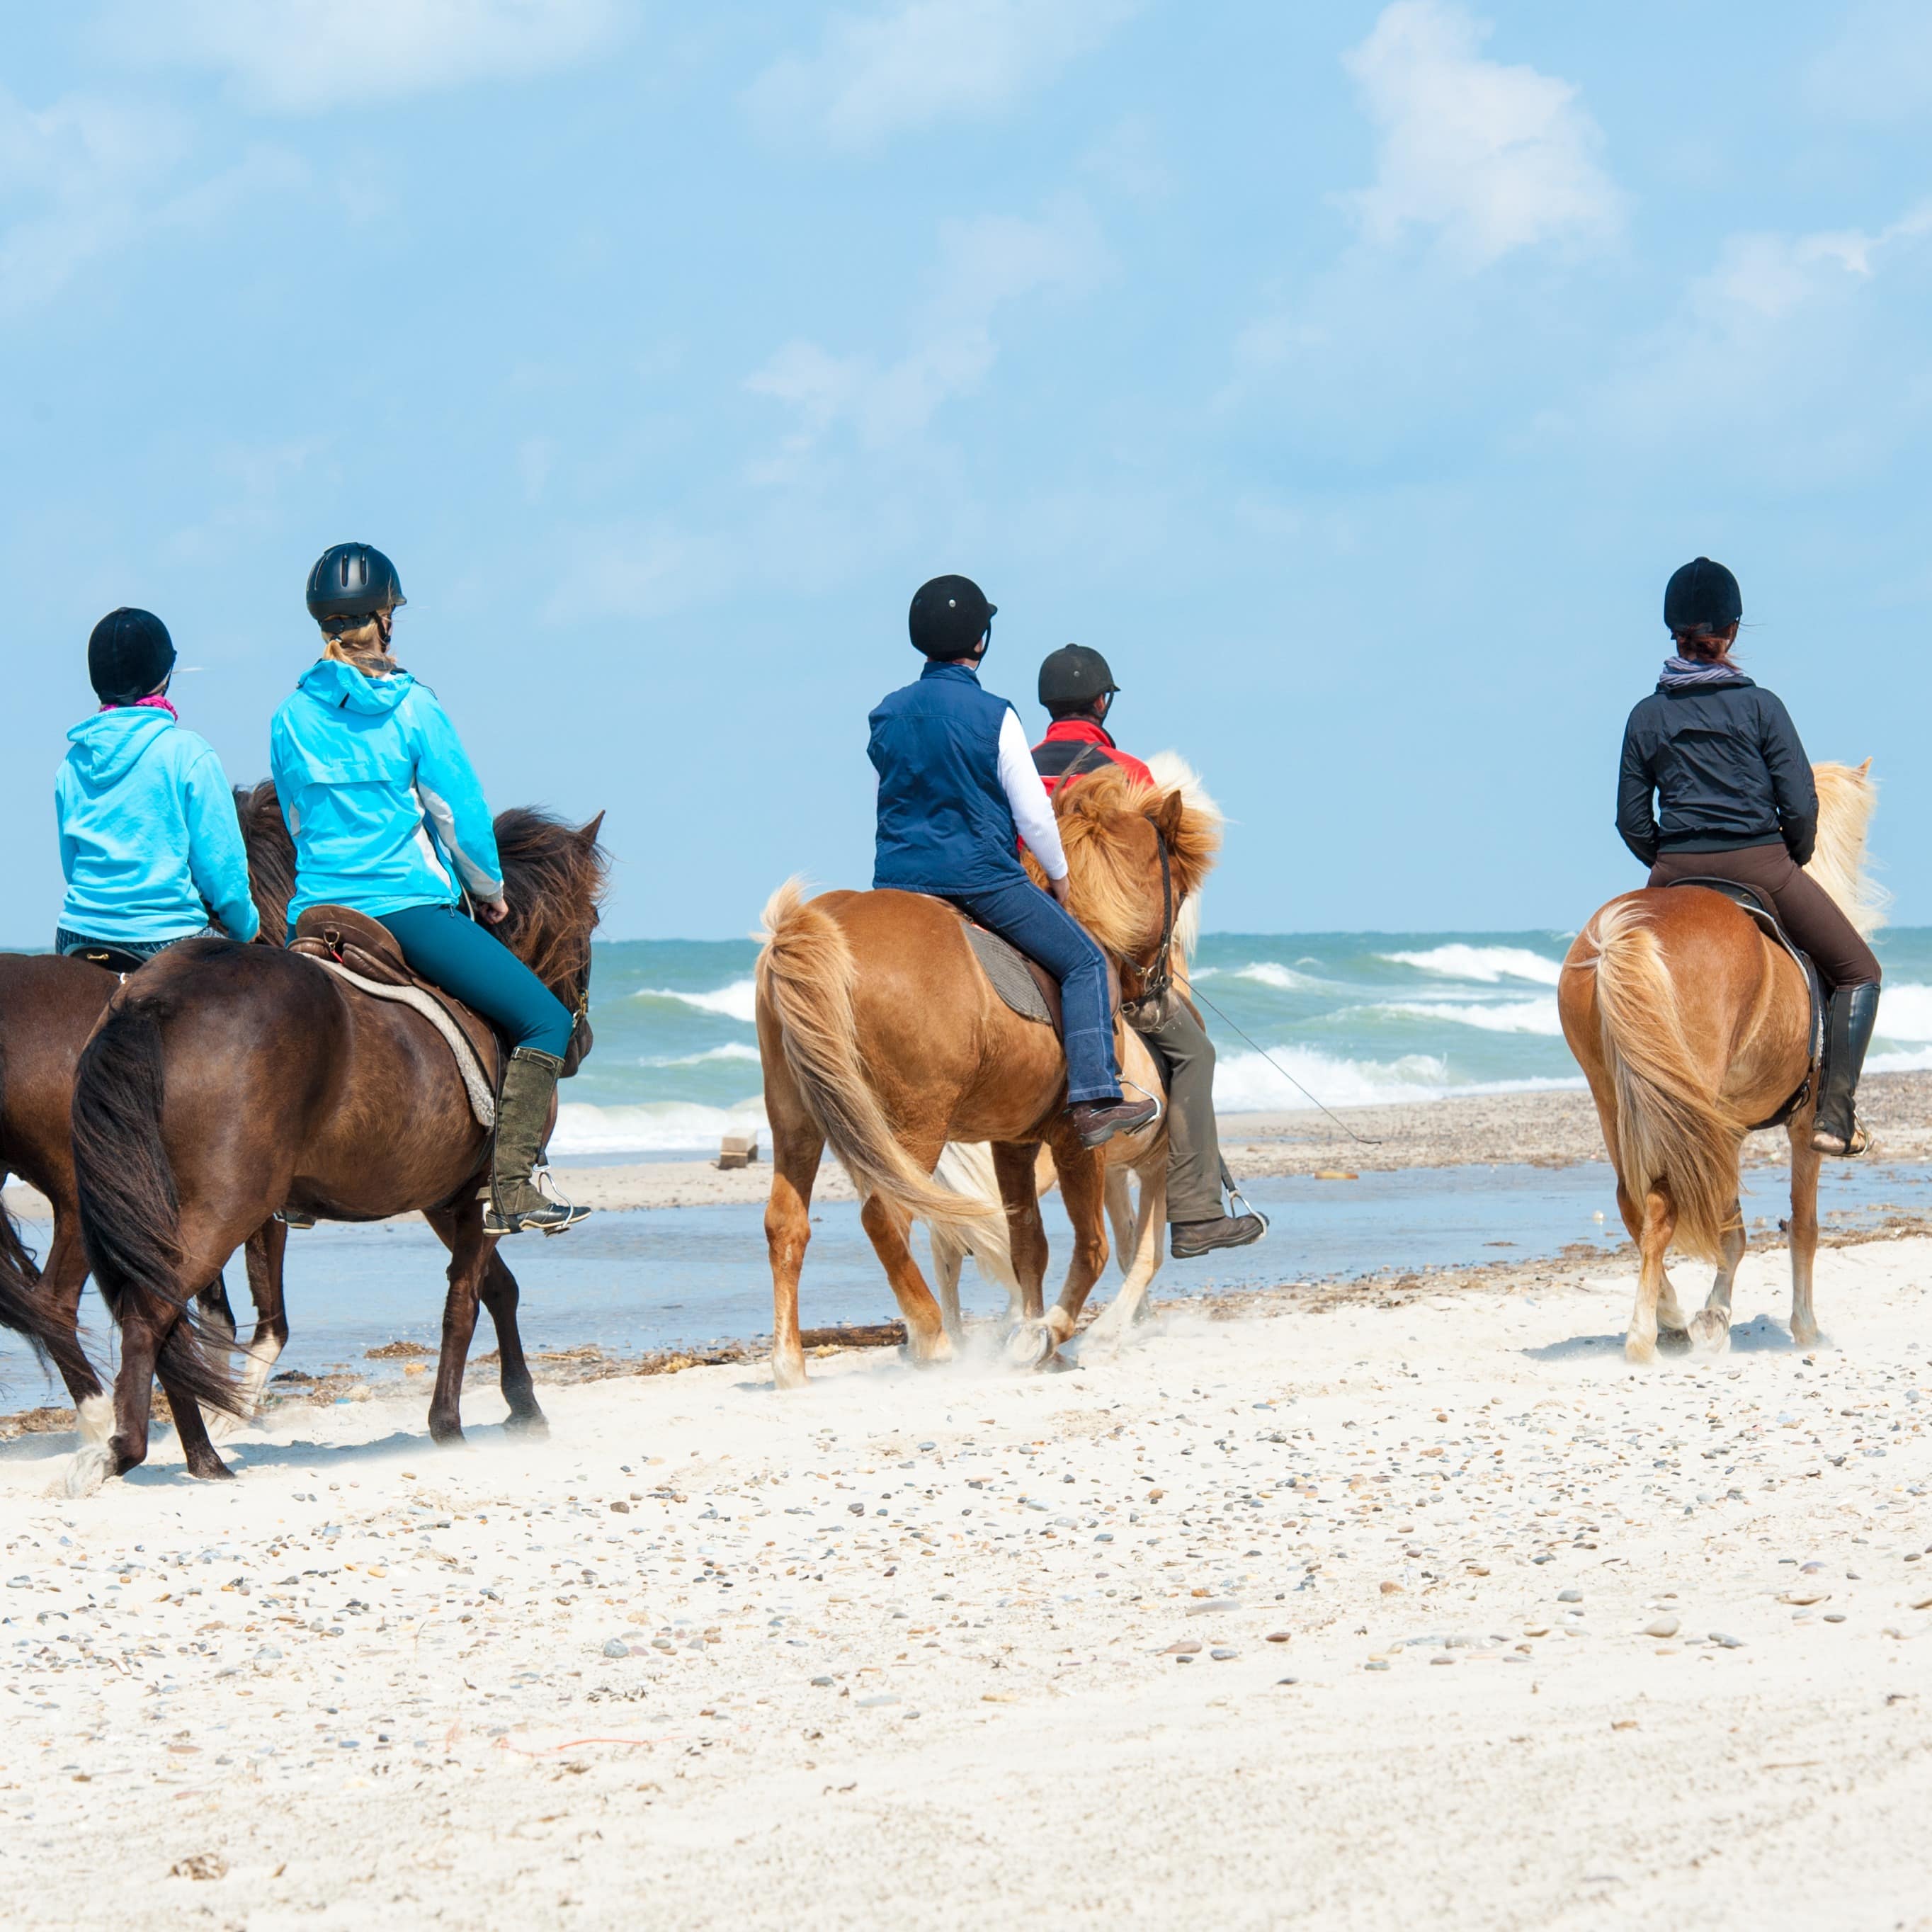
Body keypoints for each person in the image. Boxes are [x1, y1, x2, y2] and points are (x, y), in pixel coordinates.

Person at [270, 542, 589, 1233]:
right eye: (391, 614)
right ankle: (513, 1186)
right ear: (382, 619)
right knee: (546, 1021)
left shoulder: (290, 715)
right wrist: (490, 888)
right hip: (405, 909)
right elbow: (458, 815)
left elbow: (296, 816)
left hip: (315, 915)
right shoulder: (413, 706)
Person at [869, 576, 1158, 1147]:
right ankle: (1097, 1097)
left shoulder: (885, 713)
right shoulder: (993, 714)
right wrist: (1060, 878)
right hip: (979, 880)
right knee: (1083, 960)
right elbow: (1033, 817)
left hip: (896, 882)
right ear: (980, 640)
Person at [1617, 556, 1881, 1156]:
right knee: (1860, 972)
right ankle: (1834, 1116)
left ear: (1674, 632)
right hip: (1761, 866)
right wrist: (1791, 855)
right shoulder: (1762, 707)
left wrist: (1672, 862)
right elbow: (1801, 803)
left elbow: (1631, 820)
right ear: (1732, 633)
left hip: (1675, 872)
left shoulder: (1645, 716)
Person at [1033, 643, 1266, 1256]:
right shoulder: (1131, 774)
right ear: (1102, 703)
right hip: (1102, 961)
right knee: (1195, 1055)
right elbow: (1147, 886)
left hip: (1024, 937)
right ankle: (1195, 1215)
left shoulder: (1020, 767)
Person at [55, 606, 259, 970]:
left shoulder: (72, 763)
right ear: (164, 677)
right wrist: (247, 929)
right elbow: (222, 871)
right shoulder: (189, 753)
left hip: (76, 936)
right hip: (165, 938)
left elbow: (73, 868)